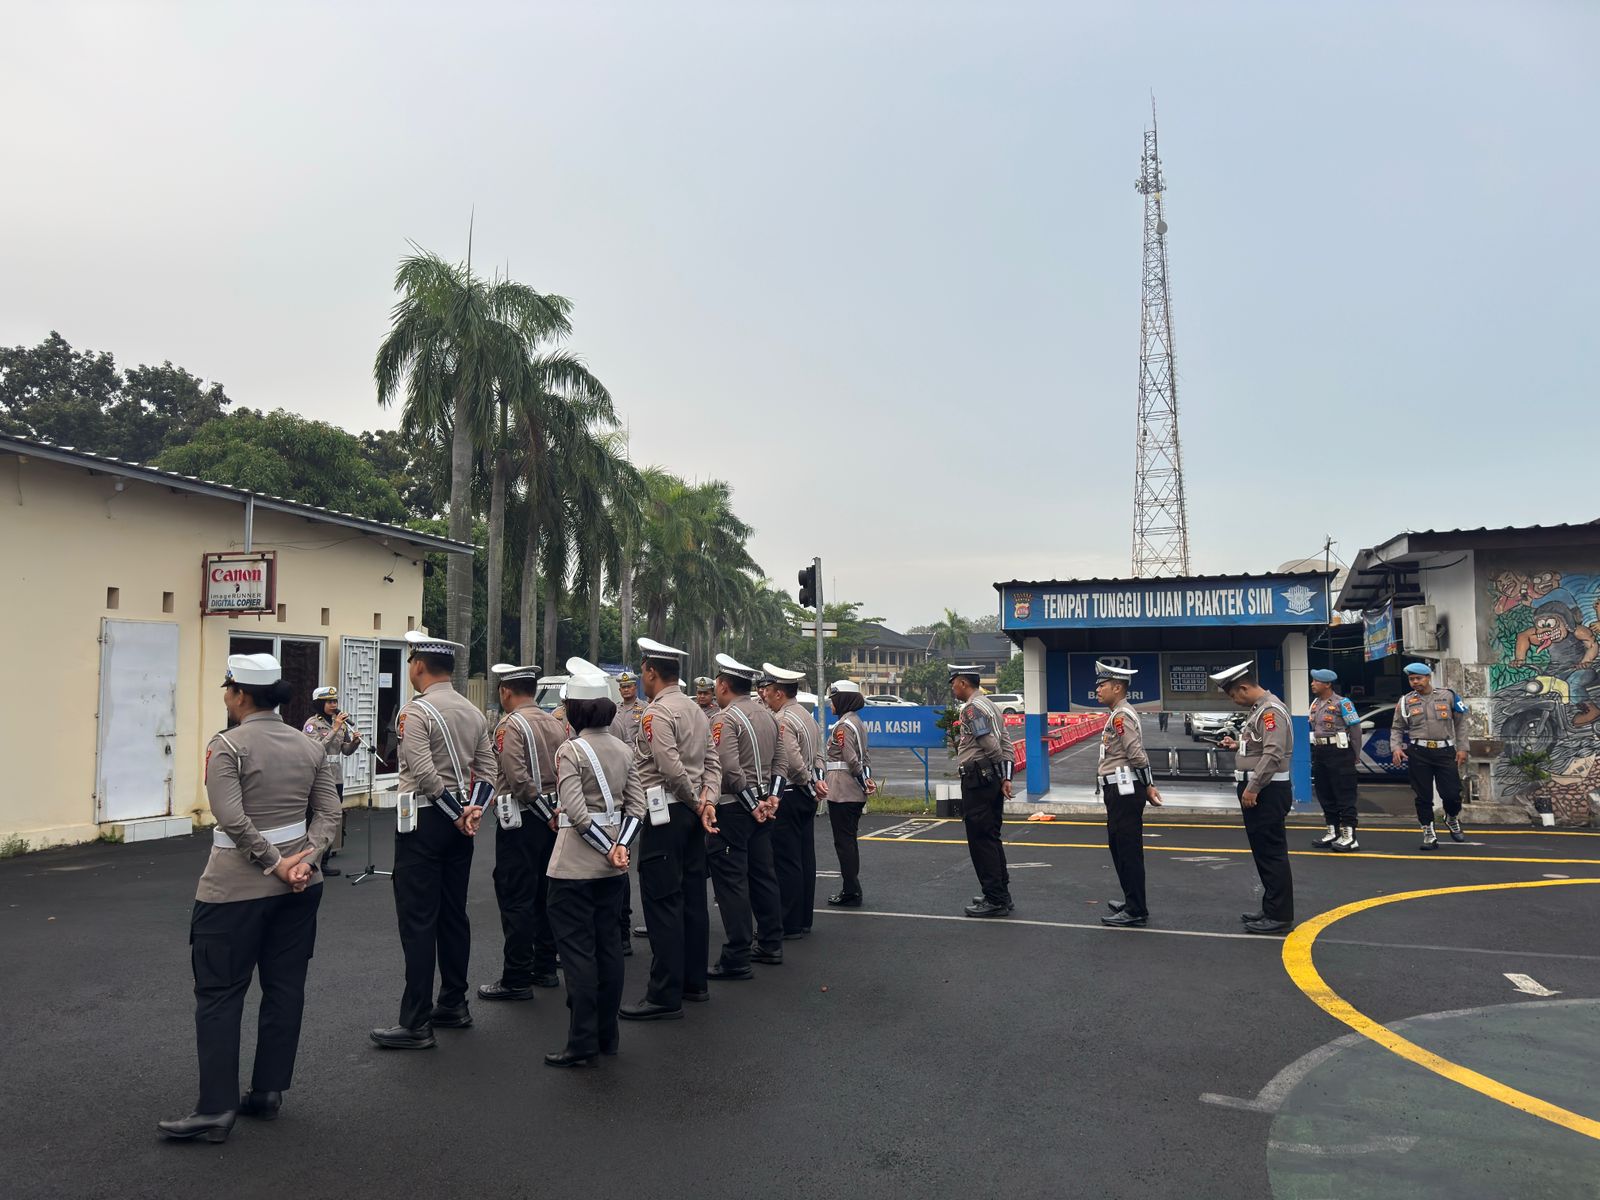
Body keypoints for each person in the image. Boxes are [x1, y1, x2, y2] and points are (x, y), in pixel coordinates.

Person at [159, 654, 341, 1143]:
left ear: (239, 694)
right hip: (300, 889)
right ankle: (267, 1092)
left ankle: (215, 1108)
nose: (226, 695)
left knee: (219, 994)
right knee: (284, 989)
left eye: (228, 688)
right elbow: (329, 815)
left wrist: (274, 862)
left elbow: (231, 818)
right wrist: (305, 861)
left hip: (233, 891)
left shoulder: (227, 746)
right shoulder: (309, 746)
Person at [370, 632, 496, 1050]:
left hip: (425, 822)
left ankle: (416, 1021)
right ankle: (454, 1004)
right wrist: (472, 811)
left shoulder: (415, 712)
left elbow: (424, 774)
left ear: (419, 665)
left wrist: (457, 813)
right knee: (453, 915)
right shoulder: (473, 712)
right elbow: (488, 771)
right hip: (461, 824)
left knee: (419, 920)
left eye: (410, 661)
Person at [543, 666, 647, 1066]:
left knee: (577, 956)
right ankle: (607, 1036)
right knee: (608, 951)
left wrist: (608, 848)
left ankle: (582, 1041)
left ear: (575, 711)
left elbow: (576, 812)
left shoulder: (570, 751)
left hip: (573, 867)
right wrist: (620, 848)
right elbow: (637, 808)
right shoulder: (624, 749)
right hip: (612, 870)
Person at [619, 638, 721, 1021]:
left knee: (662, 902)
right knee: (692, 899)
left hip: (668, 813)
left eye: (642, 672)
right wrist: (708, 801)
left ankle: (664, 994)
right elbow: (712, 763)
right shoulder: (696, 710)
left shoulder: (656, 713)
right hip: (693, 814)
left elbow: (669, 766)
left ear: (650, 672)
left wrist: (696, 802)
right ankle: (694, 983)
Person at [477, 662, 566, 1003]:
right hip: (553, 819)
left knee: (516, 896)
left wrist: (541, 810)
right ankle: (544, 967)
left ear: (506, 691)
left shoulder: (510, 724)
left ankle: (516, 977)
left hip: (522, 820)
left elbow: (516, 778)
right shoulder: (555, 722)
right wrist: (552, 813)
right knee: (545, 894)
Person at [704, 653, 787, 979]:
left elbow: (728, 767)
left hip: (734, 808)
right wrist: (772, 798)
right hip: (762, 805)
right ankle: (770, 942)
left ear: (724, 685)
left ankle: (737, 956)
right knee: (763, 875)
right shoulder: (769, 716)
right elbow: (781, 762)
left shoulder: (725, 719)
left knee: (732, 883)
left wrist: (752, 803)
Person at [1213, 662, 1295, 935]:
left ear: (1244, 688)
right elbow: (1261, 746)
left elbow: (1273, 753)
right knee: (1263, 852)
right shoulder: (1260, 709)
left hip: (1267, 791)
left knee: (1271, 853)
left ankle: (1279, 915)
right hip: (1262, 789)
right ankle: (1271, 908)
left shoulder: (1270, 711)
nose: (1234, 701)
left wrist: (1253, 787)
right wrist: (1237, 745)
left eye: (1233, 695)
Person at [1095, 662, 1165, 928]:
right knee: (1119, 847)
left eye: (1102, 685)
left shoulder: (1121, 716)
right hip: (1119, 789)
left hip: (1125, 791)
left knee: (1128, 850)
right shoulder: (1117, 714)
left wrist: (1148, 785)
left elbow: (1136, 754)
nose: (1098, 690)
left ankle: (1136, 910)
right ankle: (1131, 900)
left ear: (1117, 688)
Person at [764, 662, 826, 939]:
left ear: (779, 692)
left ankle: (789, 922)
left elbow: (792, 761)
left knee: (786, 860)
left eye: (768, 690)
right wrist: (817, 782)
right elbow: (819, 755)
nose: (764, 694)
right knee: (804, 857)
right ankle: (802, 919)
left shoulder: (783, 719)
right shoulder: (807, 716)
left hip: (790, 793)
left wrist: (808, 781)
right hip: (805, 794)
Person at [951, 666, 1016, 918]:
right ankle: (1001, 893)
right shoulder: (990, 705)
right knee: (991, 836)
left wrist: (998, 769)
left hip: (978, 778)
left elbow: (989, 743)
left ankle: (995, 899)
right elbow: (1006, 742)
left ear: (963, 683)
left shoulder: (971, 709)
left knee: (981, 840)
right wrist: (1005, 775)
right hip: (990, 778)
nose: (953, 688)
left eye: (954, 683)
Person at [1391, 662, 1469, 850]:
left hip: (1445, 751)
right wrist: (1396, 747)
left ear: (1428, 677)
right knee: (1423, 795)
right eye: (1411, 679)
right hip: (1419, 752)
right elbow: (1397, 727)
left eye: (1418, 678)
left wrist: (1463, 748)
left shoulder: (1448, 696)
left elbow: (1461, 723)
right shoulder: (1405, 701)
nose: (1415, 682)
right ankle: (1428, 831)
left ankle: (1451, 817)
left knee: (1452, 793)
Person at [300, 686, 359, 877]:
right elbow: (315, 748)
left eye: (335, 701)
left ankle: (324, 860)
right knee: (316, 818)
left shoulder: (339, 723)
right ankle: (310, 859)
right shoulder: (312, 724)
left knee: (332, 817)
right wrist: (334, 729)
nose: (334, 705)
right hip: (318, 776)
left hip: (336, 776)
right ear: (319, 704)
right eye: (329, 701)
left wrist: (355, 743)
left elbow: (345, 750)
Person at [823, 680, 873, 907]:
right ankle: (851, 887)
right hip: (852, 789)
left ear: (843, 700)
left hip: (842, 791)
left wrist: (863, 781)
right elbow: (865, 758)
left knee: (844, 843)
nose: (831, 704)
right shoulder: (857, 722)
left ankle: (851, 890)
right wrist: (866, 781)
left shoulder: (843, 726)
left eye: (834, 699)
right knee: (848, 841)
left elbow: (852, 760)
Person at [1308, 668, 1362, 852]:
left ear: (1327, 684)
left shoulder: (1343, 703)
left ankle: (1349, 836)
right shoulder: (1315, 704)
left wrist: (1355, 753)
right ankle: (1332, 831)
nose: (1312, 684)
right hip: (1320, 751)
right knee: (1325, 793)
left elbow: (1355, 729)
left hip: (1340, 751)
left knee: (1344, 794)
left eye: (1316, 681)